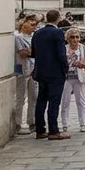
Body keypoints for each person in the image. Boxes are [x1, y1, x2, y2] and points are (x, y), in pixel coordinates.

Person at [32, 9, 69, 140]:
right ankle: (53, 130)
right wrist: (65, 67)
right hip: (55, 73)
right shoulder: (58, 33)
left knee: (41, 100)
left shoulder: (37, 33)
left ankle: (40, 129)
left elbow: (33, 52)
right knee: (54, 102)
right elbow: (61, 54)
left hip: (41, 71)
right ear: (58, 19)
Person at [59, 27, 85, 133]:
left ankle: (83, 123)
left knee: (80, 101)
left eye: (77, 37)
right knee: (65, 101)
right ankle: (65, 124)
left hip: (79, 76)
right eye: (72, 37)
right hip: (67, 77)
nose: (75, 40)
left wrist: (83, 63)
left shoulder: (82, 48)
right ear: (68, 38)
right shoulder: (64, 48)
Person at [12, 14, 38, 135]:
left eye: (36, 24)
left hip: (33, 69)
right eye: (32, 24)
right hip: (21, 69)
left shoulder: (34, 37)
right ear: (24, 24)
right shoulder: (18, 37)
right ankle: (18, 123)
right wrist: (31, 51)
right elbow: (23, 52)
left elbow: (35, 52)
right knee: (21, 97)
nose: (34, 27)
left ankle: (32, 121)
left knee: (34, 96)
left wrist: (31, 51)